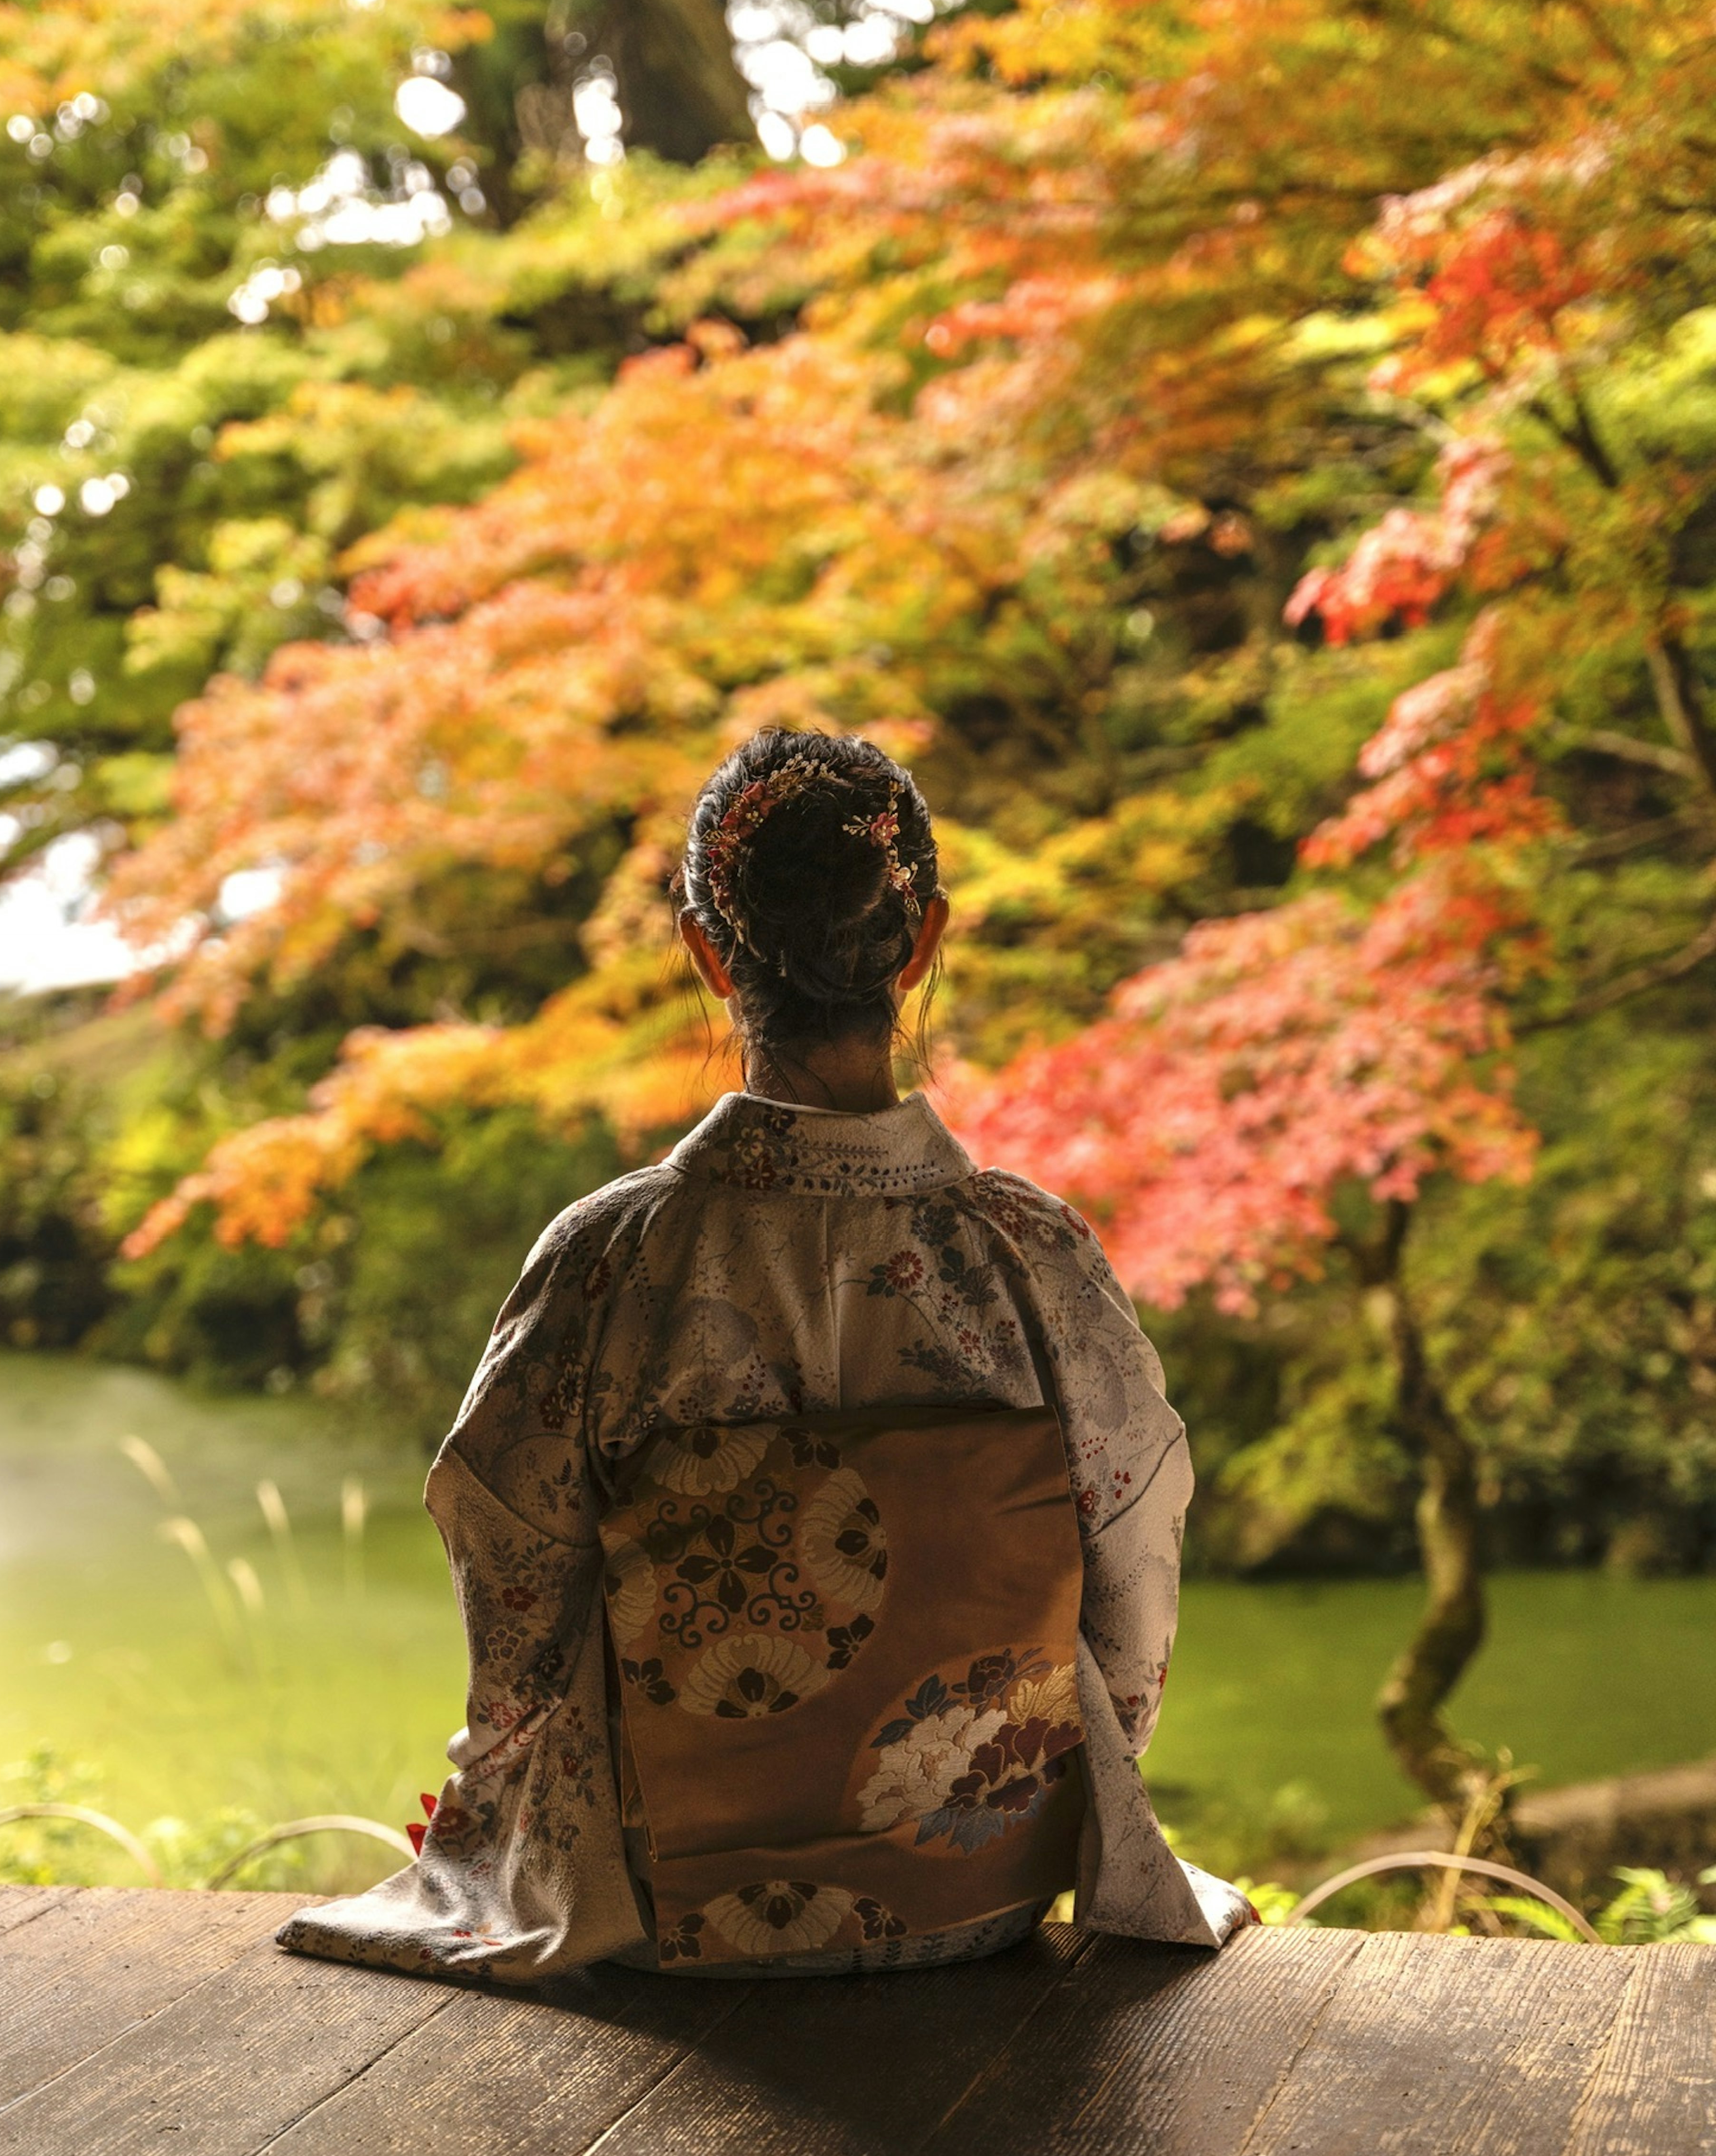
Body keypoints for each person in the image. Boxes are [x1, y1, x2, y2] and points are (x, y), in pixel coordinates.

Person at [278, 731, 1251, 1988]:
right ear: (922, 943)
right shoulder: (1031, 1256)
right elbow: (1133, 1565)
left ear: (703, 948)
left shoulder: (609, 1260)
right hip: (977, 1894)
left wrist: (511, 1807)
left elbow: (512, 1589)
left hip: (679, 1917)